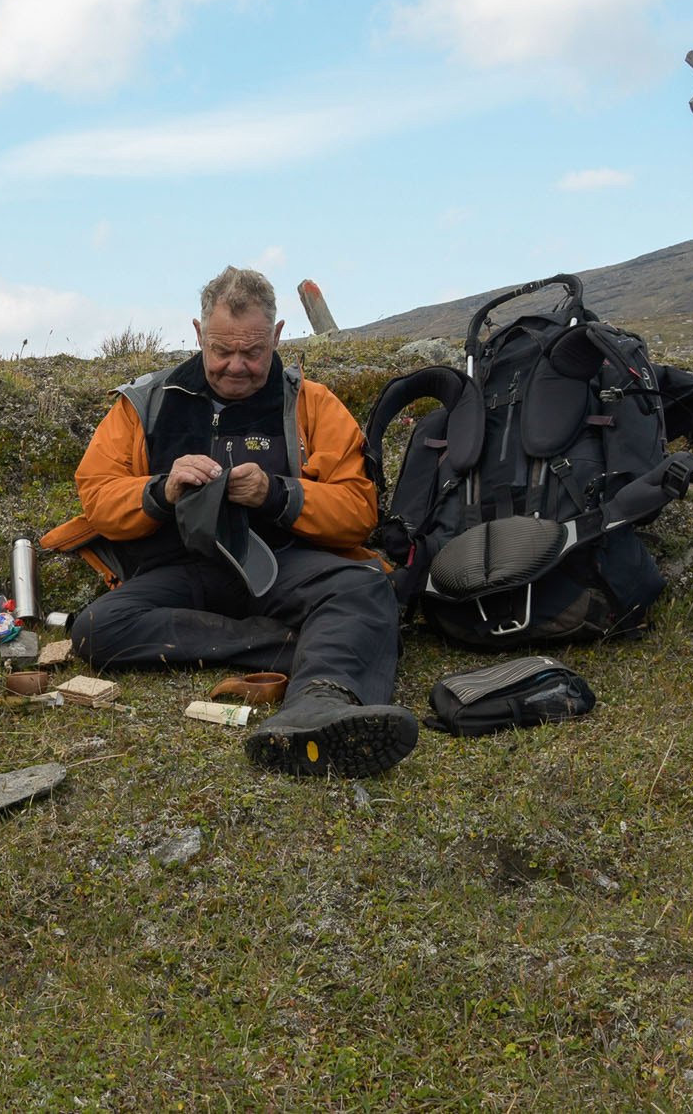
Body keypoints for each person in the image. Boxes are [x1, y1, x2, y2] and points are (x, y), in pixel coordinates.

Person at [42, 267, 418, 778]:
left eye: (253, 352)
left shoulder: (312, 404)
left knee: (365, 588)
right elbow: (99, 497)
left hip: (286, 565)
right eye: (221, 351)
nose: (236, 367)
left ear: (278, 335)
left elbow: (357, 511)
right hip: (180, 570)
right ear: (198, 334)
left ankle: (321, 704)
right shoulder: (146, 403)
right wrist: (162, 490)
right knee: (97, 628)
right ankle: (297, 646)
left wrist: (275, 493)